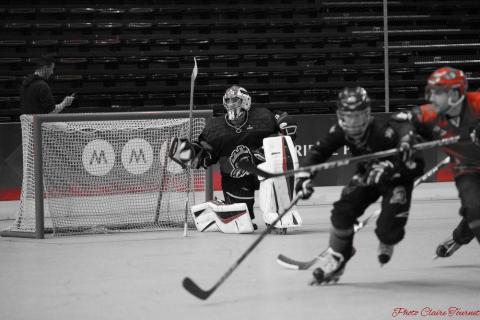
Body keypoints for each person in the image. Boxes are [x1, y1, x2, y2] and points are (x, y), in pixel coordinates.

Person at [295, 86, 424, 285]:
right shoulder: (340, 131)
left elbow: (416, 165)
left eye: (359, 116)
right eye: (349, 116)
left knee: (388, 232)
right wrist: (303, 177)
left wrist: (393, 166)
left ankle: (386, 239)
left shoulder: (385, 132)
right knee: (341, 213)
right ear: (340, 115)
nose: (354, 123)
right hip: (368, 175)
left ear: (368, 114)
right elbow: (318, 153)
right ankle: (339, 256)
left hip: (396, 178)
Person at [170, 85, 297, 230]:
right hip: (235, 177)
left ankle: (278, 214)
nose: (231, 104)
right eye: (228, 100)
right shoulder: (215, 128)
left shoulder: (262, 117)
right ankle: (216, 209)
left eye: (235, 100)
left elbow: (284, 128)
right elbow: (208, 154)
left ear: (245, 101)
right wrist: (191, 154)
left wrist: (284, 121)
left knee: (277, 171)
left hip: (262, 168)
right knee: (242, 223)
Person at [392, 67, 480, 258]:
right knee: (474, 207)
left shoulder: (477, 103)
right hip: (467, 168)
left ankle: (458, 238)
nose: (432, 98)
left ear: (455, 94)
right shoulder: (431, 114)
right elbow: (401, 120)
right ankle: (458, 238)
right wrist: (407, 139)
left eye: (438, 93)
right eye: (431, 91)